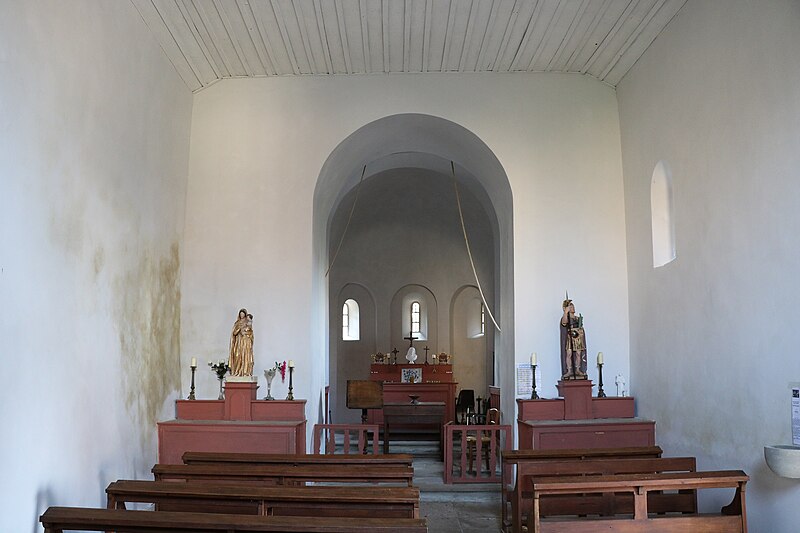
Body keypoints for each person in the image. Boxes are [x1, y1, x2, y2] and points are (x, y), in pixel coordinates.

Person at [560, 298, 587, 380]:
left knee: (578, 353)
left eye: (573, 306)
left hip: (578, 337)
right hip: (570, 337)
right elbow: (564, 322)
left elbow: (581, 328)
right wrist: (565, 312)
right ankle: (569, 370)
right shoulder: (566, 317)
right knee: (569, 353)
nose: (573, 307)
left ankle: (578, 369)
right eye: (570, 306)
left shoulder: (577, 318)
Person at [229, 309, 254, 376]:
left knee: (245, 356)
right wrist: (239, 330)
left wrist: (245, 333)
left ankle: (245, 372)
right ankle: (237, 371)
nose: (242, 315)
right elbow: (234, 333)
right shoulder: (237, 323)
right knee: (237, 356)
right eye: (240, 314)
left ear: (245, 315)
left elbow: (251, 333)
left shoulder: (248, 323)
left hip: (245, 343)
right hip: (238, 343)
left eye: (243, 314)